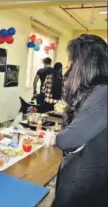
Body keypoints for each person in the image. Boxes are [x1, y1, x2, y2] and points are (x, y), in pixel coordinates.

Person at [52, 34, 108, 207]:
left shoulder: (102, 94)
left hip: (86, 182)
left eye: (72, 60)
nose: (69, 65)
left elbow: (67, 140)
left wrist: (58, 136)